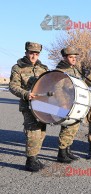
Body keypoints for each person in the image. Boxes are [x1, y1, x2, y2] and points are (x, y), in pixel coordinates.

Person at [9, 42, 48, 172]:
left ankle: (34, 157)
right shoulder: (18, 68)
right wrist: (26, 94)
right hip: (28, 105)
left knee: (42, 132)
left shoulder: (43, 68)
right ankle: (30, 161)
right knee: (33, 132)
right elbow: (13, 86)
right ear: (26, 52)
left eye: (36, 54)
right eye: (31, 53)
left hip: (42, 105)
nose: (33, 56)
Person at [55, 47, 82, 163]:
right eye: (71, 57)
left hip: (75, 103)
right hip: (66, 103)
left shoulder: (75, 69)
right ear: (65, 58)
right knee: (66, 127)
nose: (74, 59)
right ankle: (61, 153)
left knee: (74, 127)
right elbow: (57, 88)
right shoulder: (60, 71)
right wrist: (62, 103)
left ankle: (68, 150)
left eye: (75, 57)